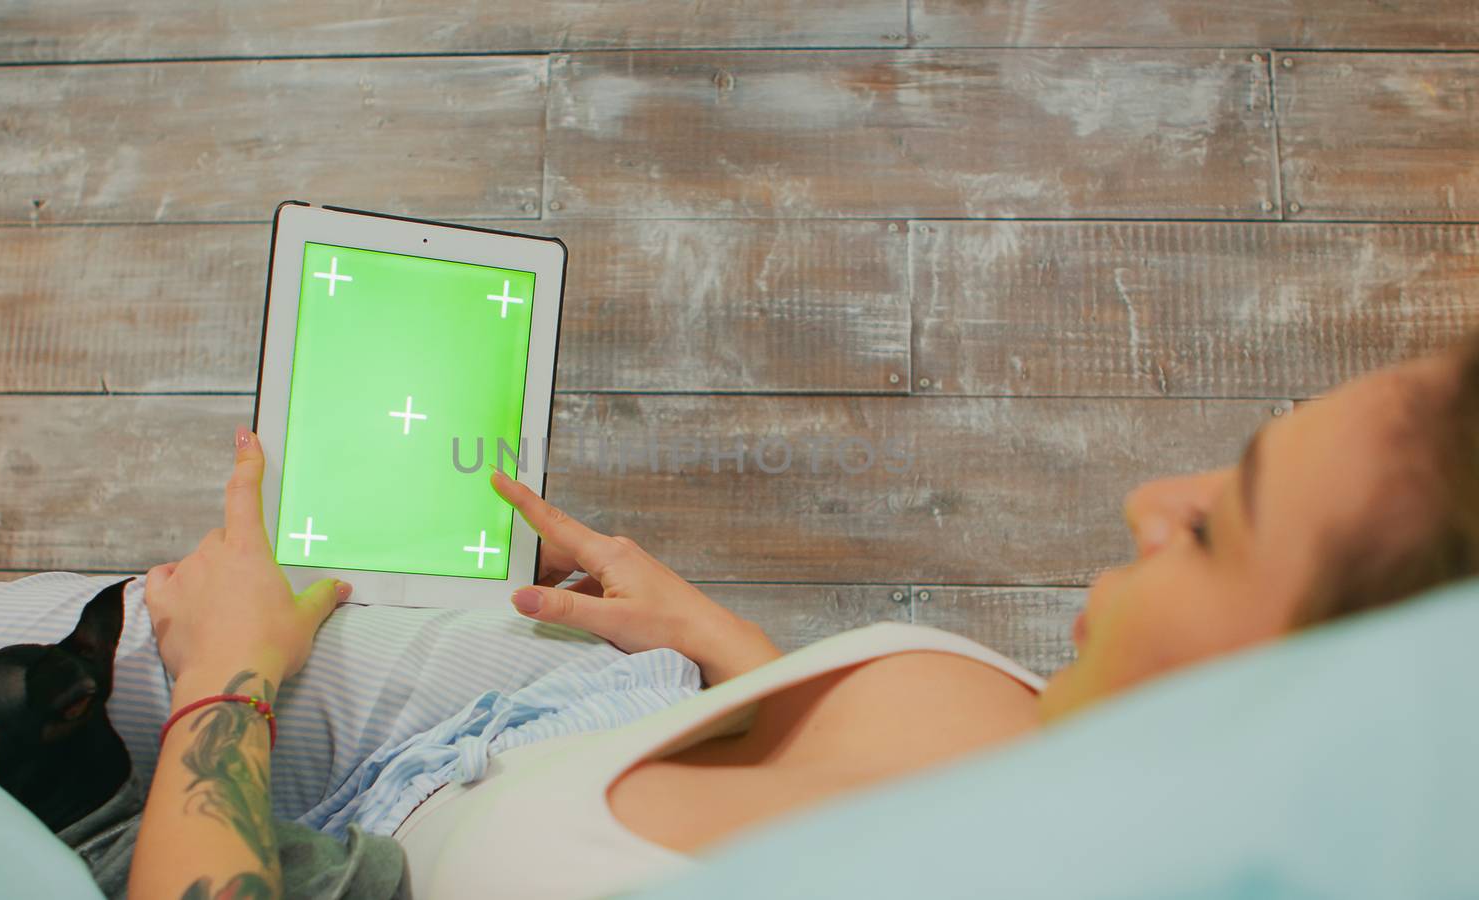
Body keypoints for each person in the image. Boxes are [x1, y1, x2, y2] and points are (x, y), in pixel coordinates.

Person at [128, 334, 1479, 900]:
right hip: (592, 712)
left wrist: (227, 681)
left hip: (267, 813)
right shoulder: (1073, 745)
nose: (1149, 499)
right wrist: (728, 658)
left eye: (1220, 522)